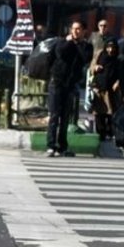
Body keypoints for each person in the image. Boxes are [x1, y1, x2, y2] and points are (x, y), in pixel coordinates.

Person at [45, 20, 93, 157]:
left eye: (78, 29)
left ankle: (62, 146)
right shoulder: (63, 42)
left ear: (84, 31)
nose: (75, 31)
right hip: (57, 82)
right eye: (73, 28)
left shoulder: (87, 46)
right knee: (54, 115)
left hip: (70, 84)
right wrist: (70, 42)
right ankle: (51, 145)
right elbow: (60, 53)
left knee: (65, 117)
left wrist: (78, 43)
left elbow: (85, 58)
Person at [90, 39, 120, 143]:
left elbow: (122, 72)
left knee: (110, 112)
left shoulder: (118, 58)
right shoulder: (100, 55)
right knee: (99, 112)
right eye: (108, 47)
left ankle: (110, 132)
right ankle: (100, 133)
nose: (110, 50)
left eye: (112, 48)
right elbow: (91, 67)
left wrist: (118, 82)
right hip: (99, 87)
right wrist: (95, 67)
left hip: (111, 89)